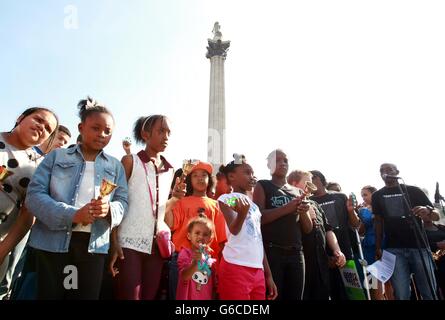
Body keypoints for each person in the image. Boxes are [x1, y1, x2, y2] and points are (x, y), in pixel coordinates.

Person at [25, 97, 128, 300]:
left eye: (108, 131)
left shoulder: (116, 166)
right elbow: (34, 195)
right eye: (96, 128)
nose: (102, 134)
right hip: (52, 242)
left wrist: (110, 210)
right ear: (81, 127)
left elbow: (123, 201)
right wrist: (72, 214)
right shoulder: (56, 157)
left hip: (94, 246)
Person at [110, 115, 177, 300]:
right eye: (161, 131)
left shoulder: (170, 170)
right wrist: (114, 241)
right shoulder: (130, 161)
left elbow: (161, 209)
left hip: (156, 246)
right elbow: (116, 201)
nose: (166, 137)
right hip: (128, 243)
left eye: (169, 132)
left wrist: (176, 198)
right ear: (145, 134)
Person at [0, 107, 59, 299]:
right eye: (38, 120)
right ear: (20, 118)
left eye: (48, 128)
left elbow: (27, 216)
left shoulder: (40, 170)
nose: (41, 127)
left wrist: (3, 250)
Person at [373, 163, 439, 300]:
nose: (385, 173)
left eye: (389, 170)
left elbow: (437, 215)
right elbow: (378, 222)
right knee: (402, 293)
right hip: (393, 249)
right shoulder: (377, 195)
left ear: (397, 172)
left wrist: (428, 210)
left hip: (418, 247)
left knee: (428, 291)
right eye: (382, 171)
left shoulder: (413, 190)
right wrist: (378, 246)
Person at [253, 149, 312, 300]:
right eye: (277, 160)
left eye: (285, 160)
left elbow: (308, 228)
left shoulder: (298, 192)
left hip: (296, 254)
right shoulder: (263, 185)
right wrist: (287, 208)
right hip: (273, 252)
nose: (282, 163)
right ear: (269, 165)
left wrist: (303, 211)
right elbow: (258, 218)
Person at [165, 160, 227, 300]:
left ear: (209, 180)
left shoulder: (216, 205)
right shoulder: (181, 201)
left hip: (207, 261)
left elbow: (221, 239)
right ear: (189, 179)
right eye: (195, 175)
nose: (200, 178)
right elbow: (170, 223)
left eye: (204, 175)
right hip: (182, 258)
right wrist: (173, 197)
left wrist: (219, 266)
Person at [218, 155, 277, 300]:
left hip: (257, 269)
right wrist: (242, 214)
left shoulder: (255, 207)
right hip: (235, 266)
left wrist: (268, 275)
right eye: (247, 172)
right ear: (231, 176)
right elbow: (234, 229)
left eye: (252, 173)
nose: (252, 176)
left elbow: (258, 241)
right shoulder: (227, 198)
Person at [287, 170, 346, 300]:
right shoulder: (288, 205)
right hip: (302, 267)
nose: (311, 185)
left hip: (322, 266)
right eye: (307, 182)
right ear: (294, 184)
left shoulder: (315, 204)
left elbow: (328, 229)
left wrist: (337, 251)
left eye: (312, 181)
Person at [310, 170, 360, 300]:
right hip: (322, 256)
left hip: (345, 253)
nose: (309, 181)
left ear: (321, 180)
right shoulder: (308, 202)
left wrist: (351, 211)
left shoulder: (340, 197)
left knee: (352, 293)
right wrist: (326, 257)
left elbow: (355, 225)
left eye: (313, 178)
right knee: (330, 293)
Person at [176, 215, 217, 300]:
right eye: (197, 233)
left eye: (205, 234)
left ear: (210, 238)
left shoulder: (210, 259)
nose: (201, 237)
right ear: (189, 236)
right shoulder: (185, 253)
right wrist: (195, 262)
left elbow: (213, 286)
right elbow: (184, 276)